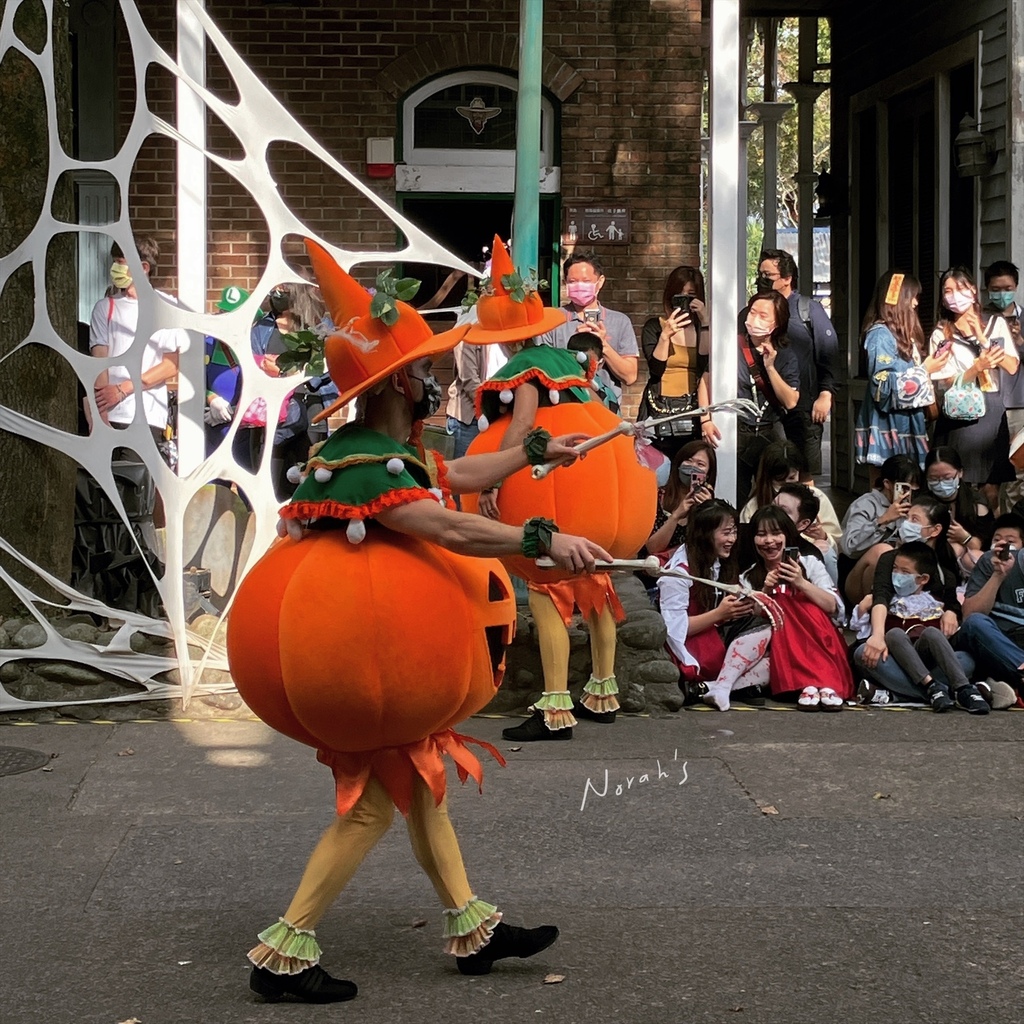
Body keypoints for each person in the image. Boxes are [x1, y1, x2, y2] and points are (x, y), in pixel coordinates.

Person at [229, 240, 612, 1004]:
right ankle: (283, 953)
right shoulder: (371, 462)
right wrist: (542, 539)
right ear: (402, 378)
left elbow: (459, 474)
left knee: (425, 787)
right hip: (359, 666)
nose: (438, 378)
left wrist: (540, 452)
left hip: (373, 663)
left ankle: (473, 928)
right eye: (429, 367)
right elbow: (449, 528)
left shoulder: (385, 450)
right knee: (375, 803)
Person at [464, 237, 655, 741]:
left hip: (549, 482)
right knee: (594, 584)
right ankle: (603, 690)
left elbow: (523, 425)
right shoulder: (570, 365)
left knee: (547, 588)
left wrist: (494, 477)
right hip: (596, 482)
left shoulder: (525, 372)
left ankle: (554, 708)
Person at [659, 500, 777, 711]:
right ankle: (729, 686)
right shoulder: (678, 572)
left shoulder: (719, 562)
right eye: (726, 533)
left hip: (715, 635)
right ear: (705, 534)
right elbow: (672, 629)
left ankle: (712, 688)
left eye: (734, 532)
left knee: (776, 657)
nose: (732, 539)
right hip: (693, 645)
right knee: (760, 634)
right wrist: (719, 614)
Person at [852, 494, 965, 705]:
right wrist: (877, 635)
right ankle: (939, 691)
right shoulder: (889, 558)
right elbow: (881, 597)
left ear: (935, 530)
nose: (906, 524)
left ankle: (898, 694)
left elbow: (952, 603)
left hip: (926, 651)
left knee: (966, 660)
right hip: (892, 649)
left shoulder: (944, 572)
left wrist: (952, 610)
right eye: (906, 518)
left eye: (914, 519)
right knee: (863, 653)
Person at [742, 505, 854, 710]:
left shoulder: (810, 563)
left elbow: (833, 607)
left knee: (802, 604)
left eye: (776, 533)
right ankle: (810, 683)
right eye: (761, 535)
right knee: (782, 605)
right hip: (780, 645)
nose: (769, 541)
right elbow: (752, 616)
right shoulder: (749, 576)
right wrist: (766, 588)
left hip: (818, 638)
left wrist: (801, 583)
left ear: (788, 536)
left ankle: (823, 683)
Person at [853, 542, 984, 712]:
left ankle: (959, 689)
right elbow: (861, 631)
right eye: (894, 570)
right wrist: (864, 609)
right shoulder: (883, 601)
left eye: (905, 572)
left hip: (927, 660)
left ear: (923, 579)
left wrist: (950, 617)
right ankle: (935, 689)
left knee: (962, 657)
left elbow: (946, 647)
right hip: (895, 661)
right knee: (889, 637)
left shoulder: (938, 604)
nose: (897, 575)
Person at [928, 267, 1019, 509]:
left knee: (991, 487)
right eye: (948, 291)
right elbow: (941, 381)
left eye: (960, 289)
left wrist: (982, 338)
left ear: (973, 290)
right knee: (960, 486)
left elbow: (1011, 366)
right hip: (958, 415)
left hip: (990, 410)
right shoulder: (941, 332)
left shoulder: (995, 323)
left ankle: (987, 538)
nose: (955, 295)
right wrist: (976, 368)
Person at [756, 249, 839, 477]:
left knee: (803, 476)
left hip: (803, 409)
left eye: (768, 275)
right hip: (767, 411)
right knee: (770, 474)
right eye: (760, 274)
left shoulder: (807, 309)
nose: (761, 280)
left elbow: (829, 353)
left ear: (787, 278)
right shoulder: (756, 311)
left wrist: (826, 394)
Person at [853, 270, 941, 474]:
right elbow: (881, 385)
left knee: (907, 482)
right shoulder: (880, 335)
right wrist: (925, 370)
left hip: (906, 423)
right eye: (913, 297)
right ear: (899, 300)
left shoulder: (904, 336)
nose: (916, 304)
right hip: (888, 424)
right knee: (886, 484)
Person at [719, 290, 800, 503]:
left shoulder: (786, 353)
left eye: (763, 315)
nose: (755, 319)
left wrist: (770, 368)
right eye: (752, 312)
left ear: (778, 322)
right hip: (738, 432)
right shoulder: (731, 345)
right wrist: (707, 421)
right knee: (735, 497)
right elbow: (707, 379)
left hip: (770, 434)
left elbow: (790, 401)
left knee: (773, 497)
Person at [535, 251, 639, 407]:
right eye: (573, 281)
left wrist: (603, 345)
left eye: (586, 281)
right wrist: (574, 350)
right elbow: (542, 371)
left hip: (607, 410)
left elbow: (630, 376)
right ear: (565, 283)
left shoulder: (620, 322)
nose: (579, 286)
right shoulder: (552, 321)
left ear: (600, 281)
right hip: (564, 408)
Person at [638, 265, 711, 458]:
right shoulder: (655, 326)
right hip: (660, 409)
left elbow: (705, 363)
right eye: (678, 295)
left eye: (690, 295)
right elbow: (656, 369)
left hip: (692, 409)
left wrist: (705, 321)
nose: (684, 300)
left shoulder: (701, 327)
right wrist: (665, 336)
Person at [955, 513, 1024, 704]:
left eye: (1010, 541)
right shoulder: (988, 561)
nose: (1003, 545)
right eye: (997, 540)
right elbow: (970, 615)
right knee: (975, 623)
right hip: (998, 643)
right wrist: (998, 576)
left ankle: (1008, 684)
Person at [841, 454, 922, 605]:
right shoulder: (866, 504)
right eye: (905, 487)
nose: (909, 493)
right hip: (857, 578)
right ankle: (871, 613)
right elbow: (849, 548)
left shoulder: (914, 507)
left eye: (914, 488)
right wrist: (883, 520)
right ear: (888, 484)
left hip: (900, 574)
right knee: (882, 551)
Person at [738, 440, 841, 550]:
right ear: (768, 479)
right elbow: (745, 547)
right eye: (781, 482)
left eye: (792, 478)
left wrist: (823, 536)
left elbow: (837, 546)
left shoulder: (817, 497)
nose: (787, 486)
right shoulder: (752, 507)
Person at [985, 260, 1024, 507]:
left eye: (1007, 288)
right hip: (989, 405)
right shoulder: (981, 319)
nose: (1002, 294)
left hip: (1020, 405)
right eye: (996, 289)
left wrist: (1020, 342)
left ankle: (1014, 529)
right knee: (990, 473)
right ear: (987, 288)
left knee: (1018, 472)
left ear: (1016, 287)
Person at [923, 446, 993, 575]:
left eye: (947, 477)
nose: (941, 483)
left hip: (967, 558)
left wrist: (965, 538)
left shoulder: (976, 504)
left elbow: (983, 545)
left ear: (960, 473)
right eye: (934, 479)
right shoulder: (922, 503)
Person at [645, 439, 716, 555]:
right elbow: (652, 548)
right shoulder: (656, 497)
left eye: (700, 464)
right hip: (656, 568)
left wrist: (708, 512)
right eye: (688, 460)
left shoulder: (710, 504)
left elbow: (711, 549)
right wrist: (676, 516)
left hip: (689, 570)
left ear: (707, 475)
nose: (693, 467)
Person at [773, 482, 838, 585]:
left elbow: (831, 599)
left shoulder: (811, 556)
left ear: (803, 524)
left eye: (783, 511)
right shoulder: (749, 538)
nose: (772, 513)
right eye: (772, 506)